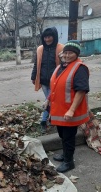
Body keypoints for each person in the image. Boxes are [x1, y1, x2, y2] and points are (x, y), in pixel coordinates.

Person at [48, 40, 90, 173]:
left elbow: (81, 90)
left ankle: (69, 161)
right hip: (59, 110)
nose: (66, 55)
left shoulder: (80, 68)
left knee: (68, 137)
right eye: (65, 52)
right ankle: (66, 154)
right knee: (62, 135)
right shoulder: (61, 66)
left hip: (70, 111)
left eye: (70, 53)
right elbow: (56, 87)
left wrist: (71, 110)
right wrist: (48, 100)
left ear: (76, 54)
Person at [31, 27, 64, 134]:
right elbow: (37, 64)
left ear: (54, 37)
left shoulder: (60, 48)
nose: (47, 39)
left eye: (49, 37)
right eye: (45, 37)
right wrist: (33, 76)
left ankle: (45, 121)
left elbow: (64, 65)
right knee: (49, 100)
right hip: (44, 81)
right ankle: (48, 120)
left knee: (50, 101)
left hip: (56, 81)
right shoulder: (40, 49)